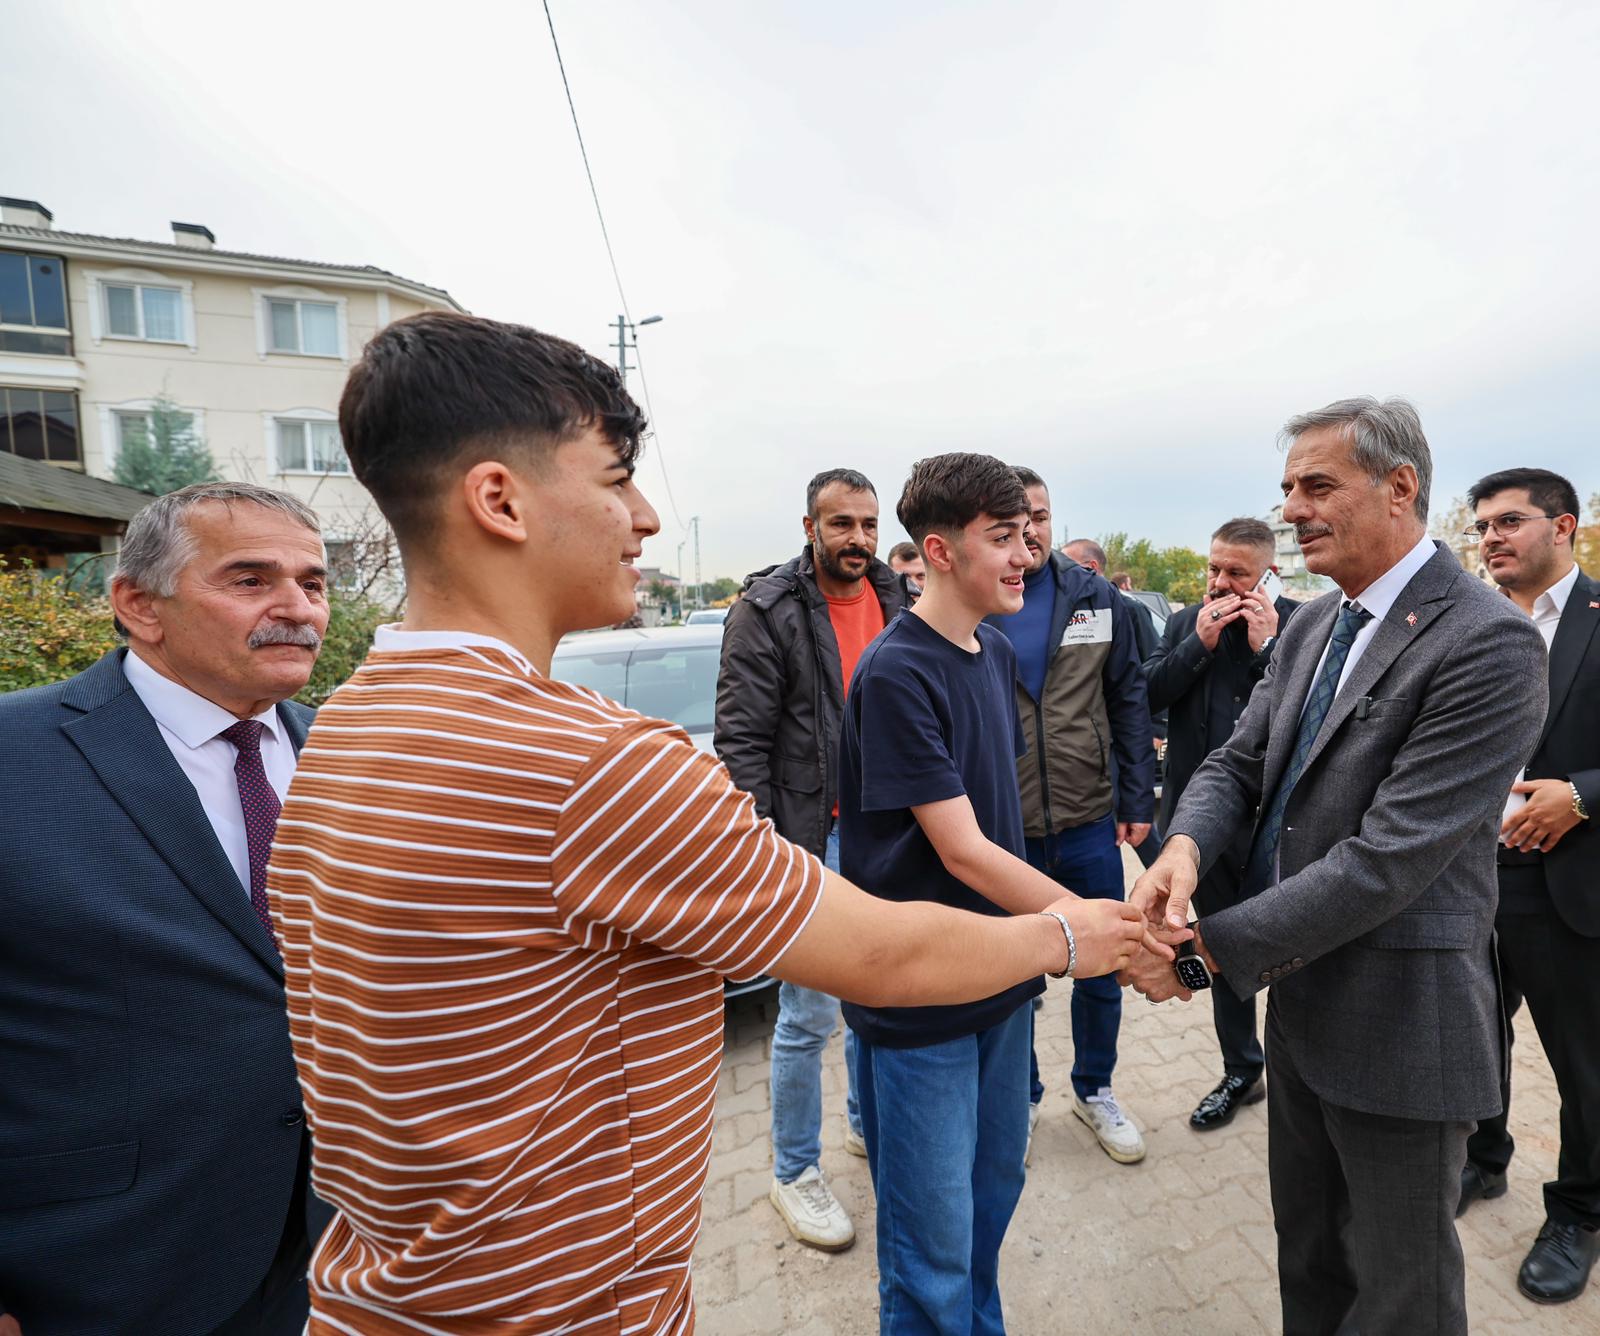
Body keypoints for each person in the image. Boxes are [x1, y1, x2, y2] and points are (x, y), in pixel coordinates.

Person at [268, 312, 1150, 1335]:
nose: (643, 516)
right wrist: (1080, 934)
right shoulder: (591, 765)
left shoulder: (340, 727)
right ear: (498, 500)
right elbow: (882, 953)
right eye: (612, 478)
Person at [1125, 397, 1547, 1335]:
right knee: (1310, 1266)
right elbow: (1236, 761)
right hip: (1303, 1015)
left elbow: (1386, 862)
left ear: (1401, 489)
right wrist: (1182, 848)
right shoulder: (1316, 626)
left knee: (1403, 1296)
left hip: (1402, 1026)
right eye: (1287, 490)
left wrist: (1201, 956)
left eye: (1319, 486)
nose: (1294, 510)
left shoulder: (1487, 640)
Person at [837, 453, 1168, 1333]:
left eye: (1026, 533)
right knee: (930, 1260)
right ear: (940, 551)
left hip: (1001, 984)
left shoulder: (985, 654)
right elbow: (966, 850)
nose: (1025, 554)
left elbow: (999, 823)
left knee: (991, 1205)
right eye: (1002, 538)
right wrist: (1086, 919)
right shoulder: (897, 672)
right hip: (923, 1003)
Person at [0, 482, 333, 1334]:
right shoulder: (14, 759)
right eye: (251, 580)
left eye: (313, 582)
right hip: (97, 1273)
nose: (296, 607)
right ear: (139, 606)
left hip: (331, 1259)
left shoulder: (347, 755)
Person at [715, 467, 912, 1251]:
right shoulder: (765, 611)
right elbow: (741, 745)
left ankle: (865, 1128)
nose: (858, 539)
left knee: (878, 999)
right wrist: (761, 854)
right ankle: (794, 1171)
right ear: (810, 528)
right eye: (842, 525)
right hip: (808, 838)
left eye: (867, 524)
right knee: (806, 1016)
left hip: (887, 833)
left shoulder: (897, 598)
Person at [1456, 467, 1600, 1304]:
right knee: (1476, 1037)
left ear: (1564, 527)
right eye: (1483, 527)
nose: (1492, 539)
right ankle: (1482, 1161)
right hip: (1468, 876)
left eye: (1510, 521)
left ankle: (1579, 1212)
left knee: (1583, 1065)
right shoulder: (1473, 623)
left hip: (1567, 886)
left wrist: (1581, 794)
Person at [998, 497, 1156, 1164]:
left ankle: (1094, 1089)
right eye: (1012, 517)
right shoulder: (979, 596)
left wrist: (1137, 794)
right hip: (1004, 830)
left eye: (1038, 512)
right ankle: (1022, 1094)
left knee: (1103, 967)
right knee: (1012, 976)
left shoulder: (1096, 599)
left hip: (1091, 818)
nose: (1029, 527)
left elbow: (1127, 698)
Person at [1144, 517, 1297, 1130]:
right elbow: (1147, 693)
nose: (1220, 582)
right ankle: (1242, 1069)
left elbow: (1306, 713)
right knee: (1217, 948)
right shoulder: (1186, 622)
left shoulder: (1297, 625)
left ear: (1266, 573)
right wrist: (1195, 648)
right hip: (1197, 828)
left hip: (1273, 827)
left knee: (1288, 947)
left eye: (1236, 572)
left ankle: (1296, 1070)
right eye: (1214, 569)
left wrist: (1269, 650)